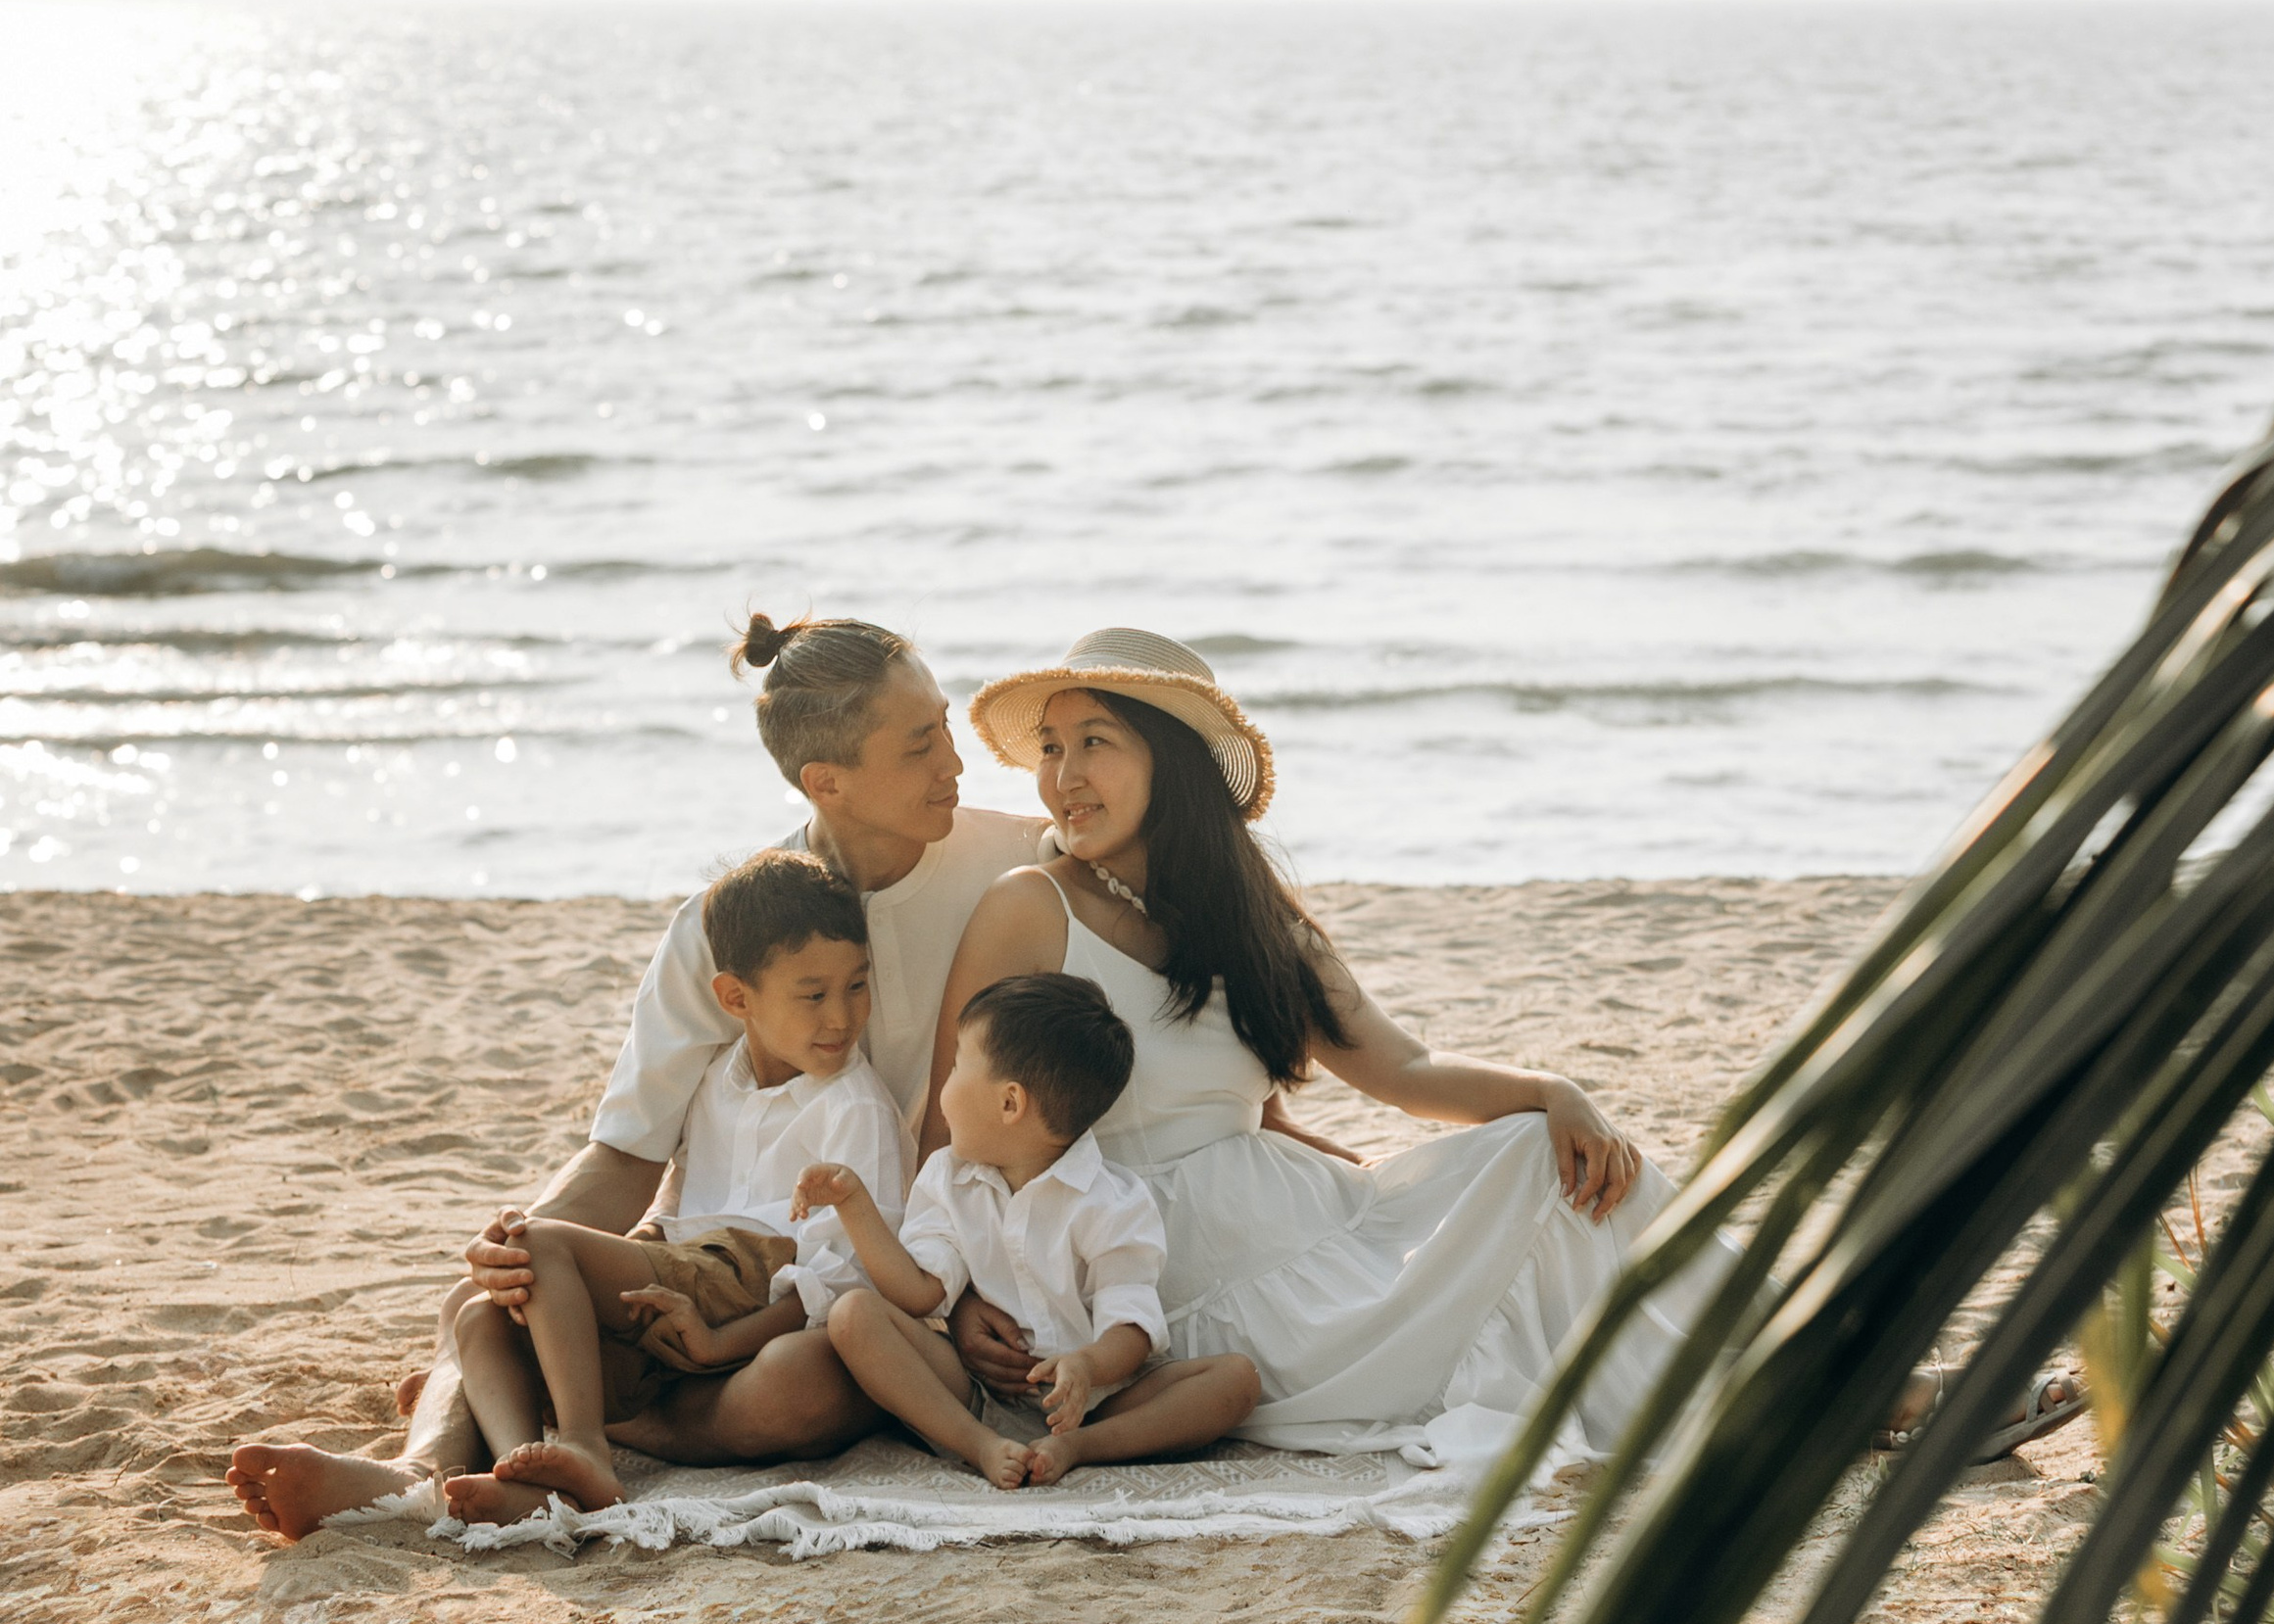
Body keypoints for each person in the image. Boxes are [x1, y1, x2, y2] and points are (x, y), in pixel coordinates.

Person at [226, 614, 1043, 1541]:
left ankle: (587, 1429)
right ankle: (419, 1470)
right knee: (488, 1292)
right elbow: (628, 1149)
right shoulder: (728, 927)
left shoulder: (1014, 866)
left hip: (844, 1290)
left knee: (804, 1383)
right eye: (922, 742)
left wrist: (973, 1282)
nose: (958, 761)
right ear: (828, 782)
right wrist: (523, 1244)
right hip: (706, 1265)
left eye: (944, 725)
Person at [931, 626, 1725, 1468]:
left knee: (1545, 1155)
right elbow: (950, 1122)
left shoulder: (1244, 915)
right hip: (1166, 1277)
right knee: (1525, 1253)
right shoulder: (1029, 907)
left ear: (1175, 760)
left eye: (1096, 742)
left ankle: (1802, 1360)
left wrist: (1554, 1089)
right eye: (1052, 749)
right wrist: (963, 1286)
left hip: (1302, 1225)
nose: (1064, 777)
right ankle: (1784, 1385)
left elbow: (1407, 1071)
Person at [439, 847, 907, 1526]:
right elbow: (675, 1206)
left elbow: (848, 1278)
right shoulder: (716, 1082)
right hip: (683, 1293)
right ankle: (526, 1468)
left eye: (857, 986)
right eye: (814, 995)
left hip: (754, 1295)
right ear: (735, 998)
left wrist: (726, 1342)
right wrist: (635, 1273)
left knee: (544, 1247)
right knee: (482, 1316)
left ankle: (584, 1440)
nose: (841, 1016)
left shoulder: (853, 1107)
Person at [802, 969, 1261, 1490]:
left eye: (955, 1066)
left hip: (1099, 1402)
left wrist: (1087, 1366)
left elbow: (1130, 1327)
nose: (944, 1088)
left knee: (1235, 1380)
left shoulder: (1110, 1200)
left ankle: (1076, 1447)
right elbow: (919, 1293)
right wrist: (852, 1202)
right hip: (975, 1392)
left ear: (1009, 1103)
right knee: (854, 1315)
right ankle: (977, 1444)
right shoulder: (946, 1179)